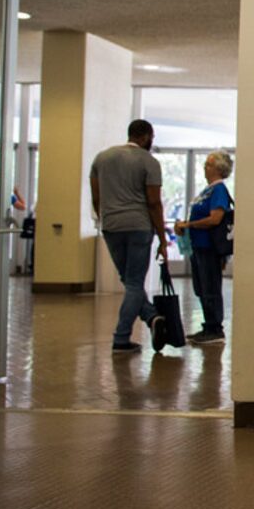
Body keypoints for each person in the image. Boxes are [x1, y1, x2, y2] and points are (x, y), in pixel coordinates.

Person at [90, 120, 170, 354]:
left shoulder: (101, 158)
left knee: (128, 280)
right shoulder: (149, 162)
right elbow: (154, 203)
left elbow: (97, 197)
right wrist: (163, 239)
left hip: (111, 226)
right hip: (138, 226)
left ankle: (152, 317)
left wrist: (105, 219)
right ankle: (121, 338)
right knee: (135, 283)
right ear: (146, 137)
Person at [173, 150, 234, 344]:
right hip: (197, 246)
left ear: (218, 168)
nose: (204, 168)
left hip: (209, 246)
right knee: (200, 287)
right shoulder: (206, 190)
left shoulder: (218, 190)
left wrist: (189, 225)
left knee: (210, 287)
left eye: (208, 164)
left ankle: (215, 327)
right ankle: (208, 324)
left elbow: (215, 218)